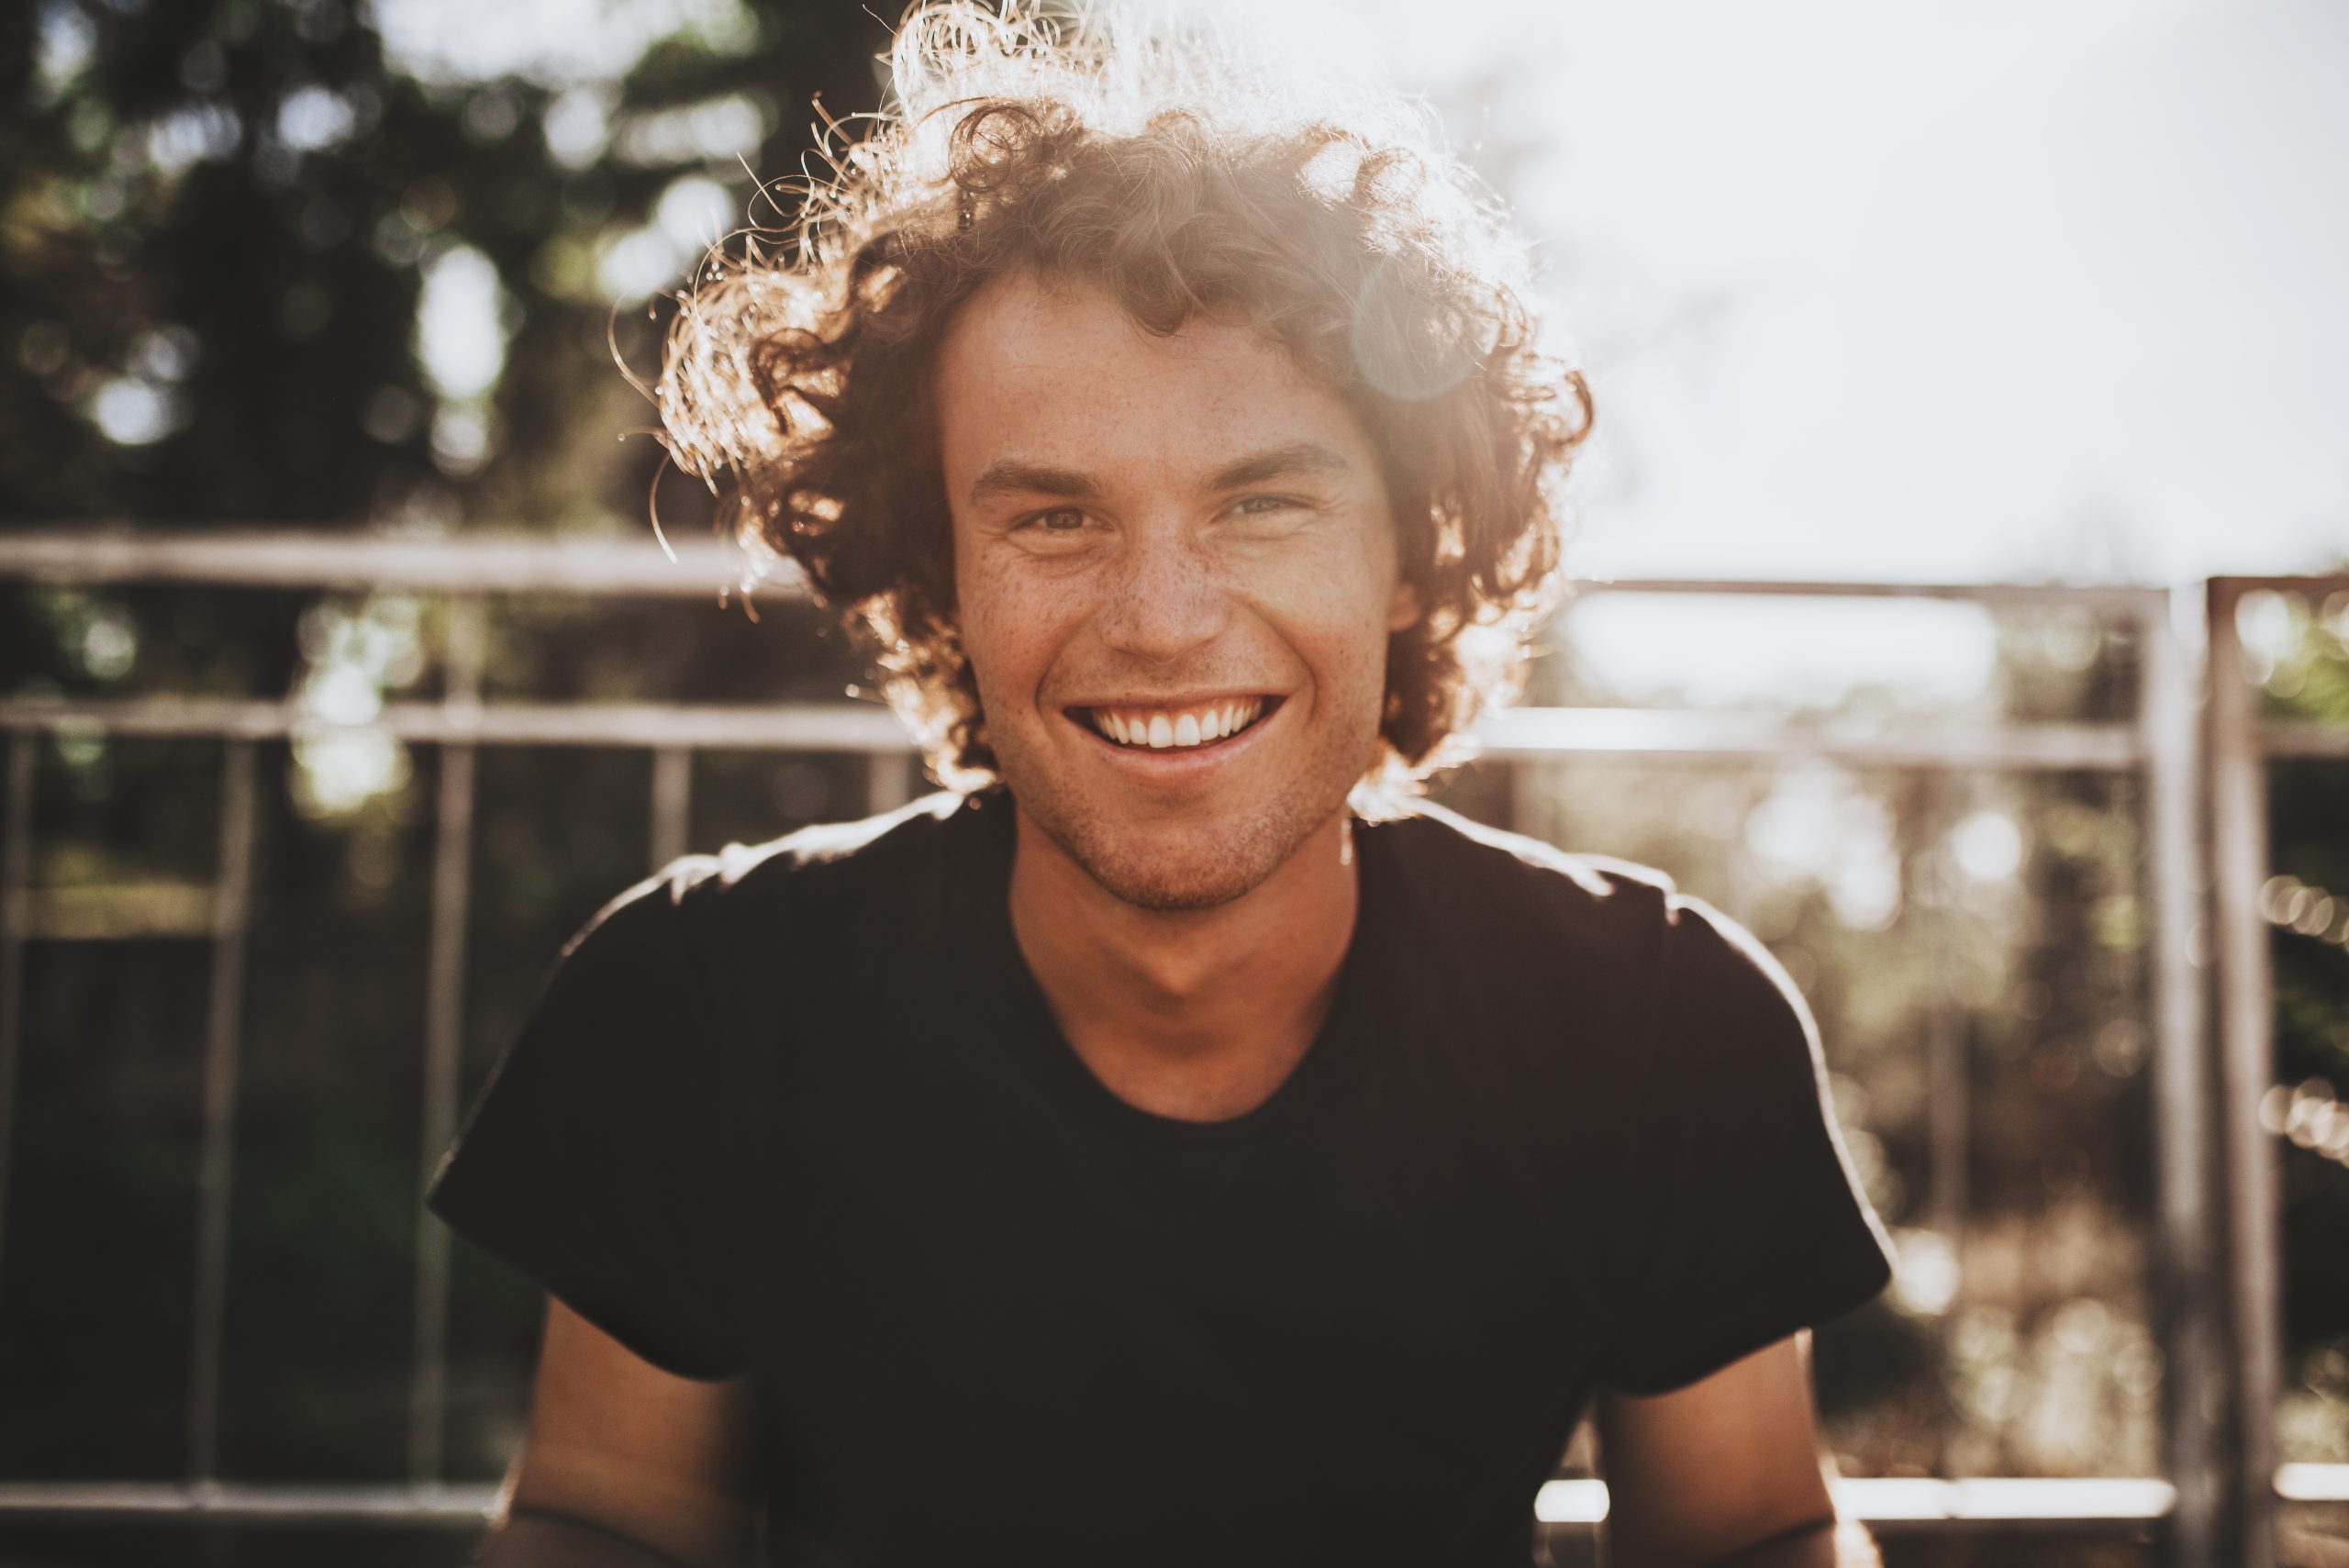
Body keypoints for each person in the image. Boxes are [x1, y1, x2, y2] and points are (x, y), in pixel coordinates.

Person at [426, 6, 1896, 1564]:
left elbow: (1752, 1533)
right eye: (1054, 520)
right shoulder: (696, 1004)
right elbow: (606, 1520)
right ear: (944, 573)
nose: (1163, 617)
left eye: (1262, 505)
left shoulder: (1657, 1021)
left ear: (1413, 552)